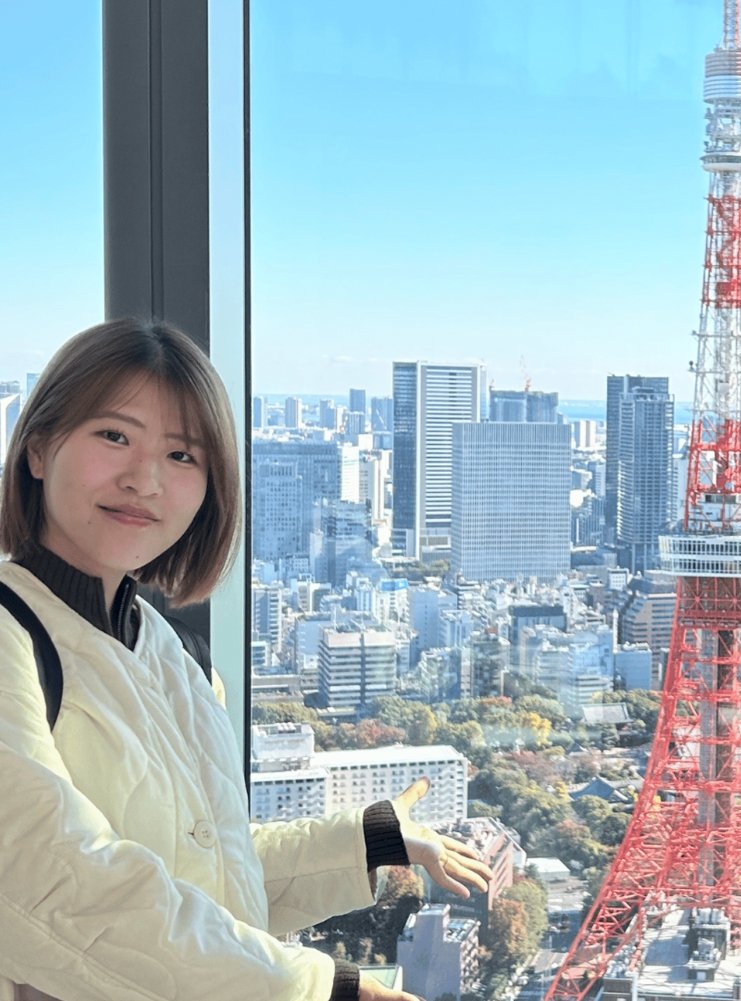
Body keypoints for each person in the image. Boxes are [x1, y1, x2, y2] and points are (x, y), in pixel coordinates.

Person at [0, 320, 493, 1001]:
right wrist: (324, 987)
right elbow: (57, 888)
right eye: (114, 435)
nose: (145, 478)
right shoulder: (10, 636)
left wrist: (370, 839)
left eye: (182, 455)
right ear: (36, 448)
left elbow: (202, 874)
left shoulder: (177, 656)